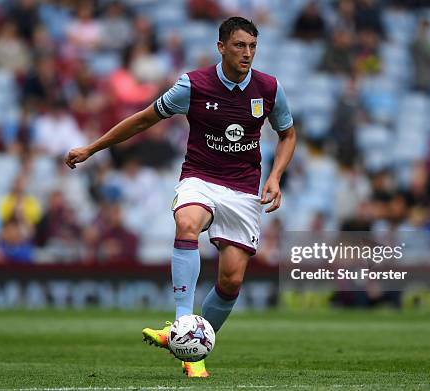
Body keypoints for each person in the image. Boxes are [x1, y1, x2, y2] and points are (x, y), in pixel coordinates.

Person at [65, 17, 296, 378]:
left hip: (243, 188)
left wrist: (276, 177)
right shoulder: (194, 85)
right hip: (200, 178)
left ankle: (190, 347)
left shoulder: (269, 88)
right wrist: (92, 149)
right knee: (187, 222)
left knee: (232, 280)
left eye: (252, 46)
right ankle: (182, 322)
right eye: (239, 45)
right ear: (221, 47)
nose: (247, 53)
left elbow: (288, 134)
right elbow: (143, 119)